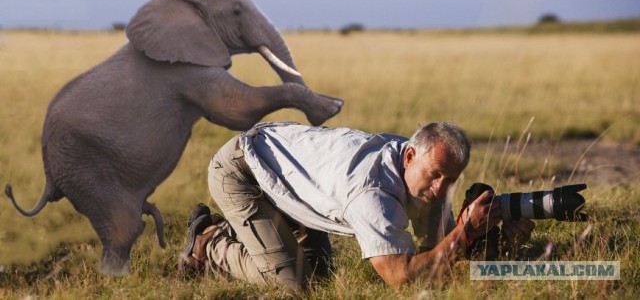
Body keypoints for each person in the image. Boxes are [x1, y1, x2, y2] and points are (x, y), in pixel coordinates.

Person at [178, 122, 534, 289]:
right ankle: (209, 243)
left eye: (452, 179)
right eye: (436, 175)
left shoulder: (421, 175)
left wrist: (499, 241)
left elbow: (439, 256)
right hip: (242, 171)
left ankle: (247, 235)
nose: (442, 188)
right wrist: (465, 231)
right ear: (409, 156)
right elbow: (403, 277)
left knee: (321, 278)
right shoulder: (372, 193)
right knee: (294, 285)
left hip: (294, 182)